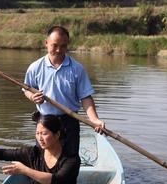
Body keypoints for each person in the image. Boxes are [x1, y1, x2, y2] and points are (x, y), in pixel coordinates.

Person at [23, 26, 105, 157]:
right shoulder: (35, 67)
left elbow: (86, 98)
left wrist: (94, 119)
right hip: (45, 122)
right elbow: (27, 89)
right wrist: (33, 96)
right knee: (43, 160)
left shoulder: (77, 69)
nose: (58, 50)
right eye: (54, 45)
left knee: (70, 160)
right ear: (46, 43)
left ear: (68, 45)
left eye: (63, 46)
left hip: (69, 120)